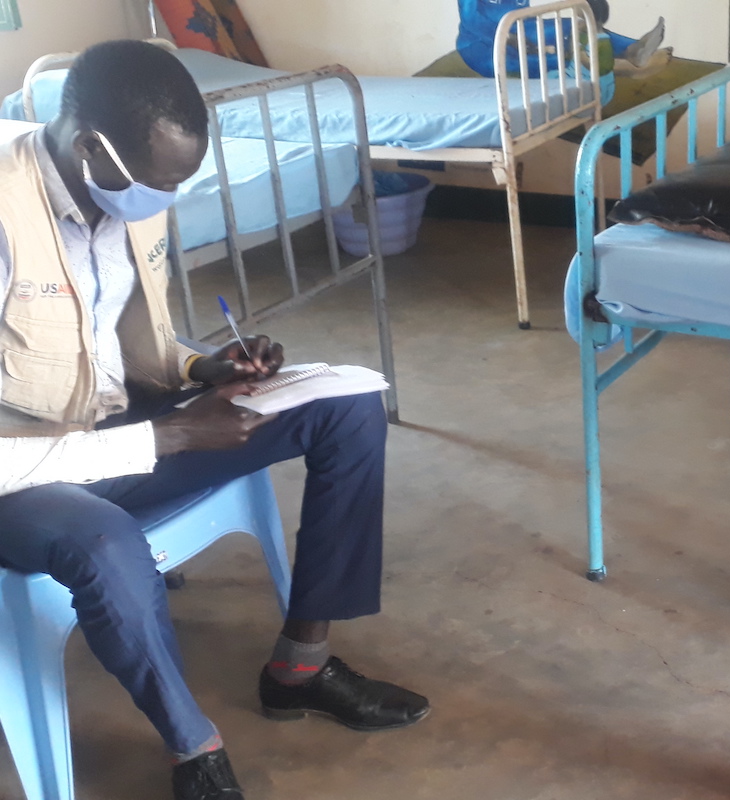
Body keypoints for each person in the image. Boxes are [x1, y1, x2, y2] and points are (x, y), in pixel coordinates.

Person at [0, 41, 429, 800]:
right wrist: (170, 434)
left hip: (114, 429)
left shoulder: (119, 193)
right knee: (104, 542)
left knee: (348, 407)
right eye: (156, 183)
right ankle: (192, 745)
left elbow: (125, 340)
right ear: (91, 145)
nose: (163, 202)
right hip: (23, 472)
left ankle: (300, 666)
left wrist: (206, 369)